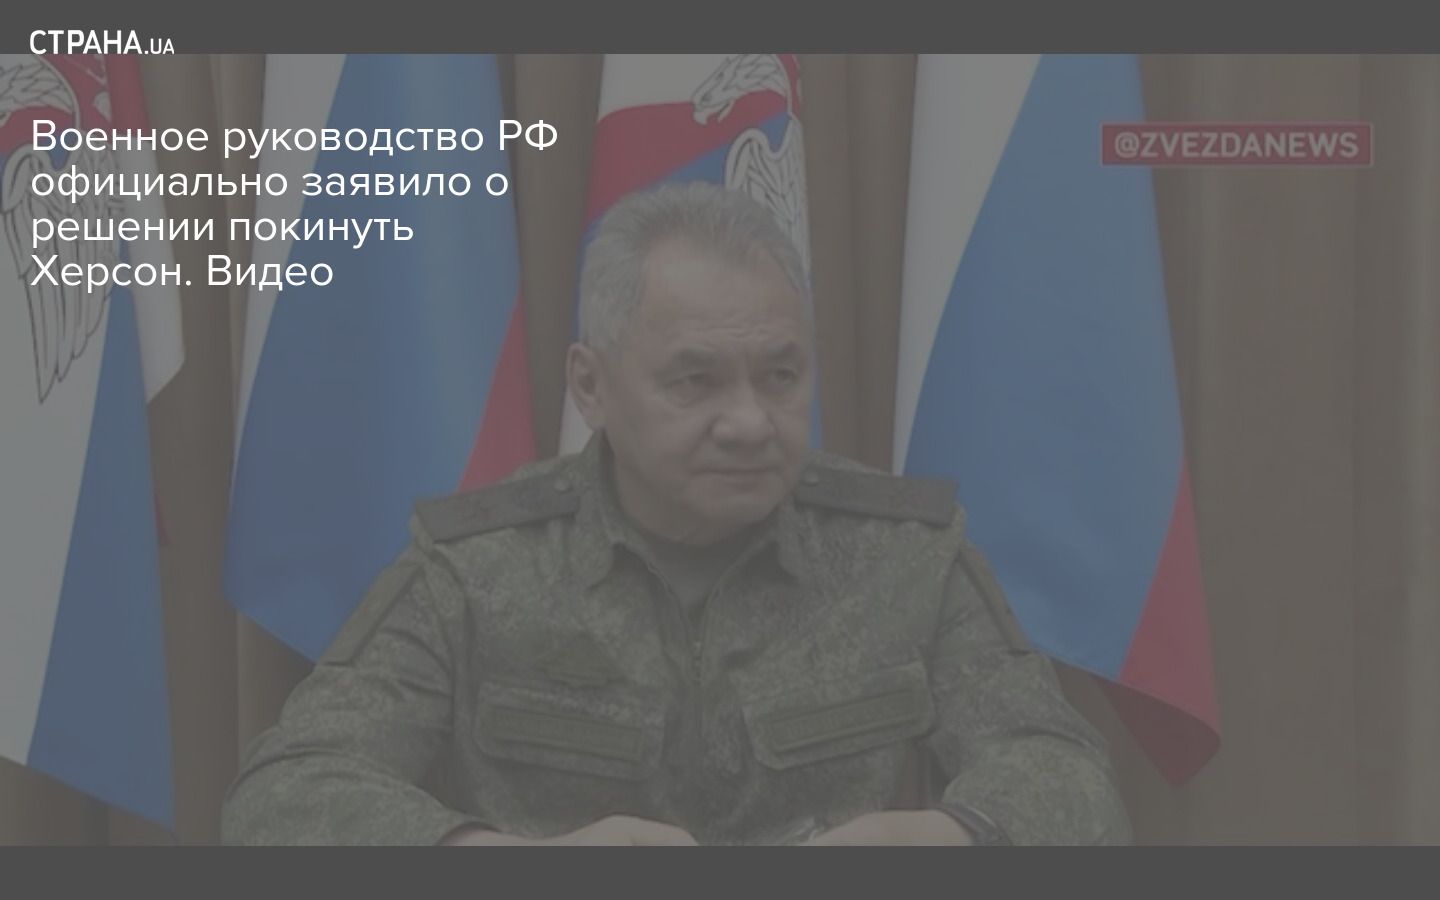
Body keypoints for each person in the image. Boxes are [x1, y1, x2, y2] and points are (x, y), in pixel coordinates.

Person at [220, 181, 1133, 846]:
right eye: (696, 381)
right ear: (592, 386)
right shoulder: (477, 567)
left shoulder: (901, 554)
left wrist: (944, 838)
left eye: (781, 376)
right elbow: (284, 794)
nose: (750, 422)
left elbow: (1071, 781)